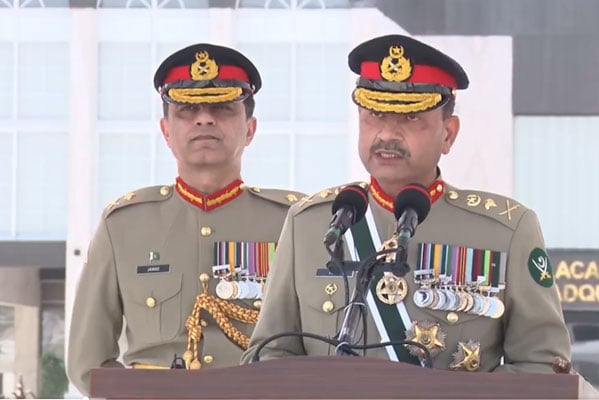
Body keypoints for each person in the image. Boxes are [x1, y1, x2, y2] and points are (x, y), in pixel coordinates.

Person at [242, 34, 572, 373]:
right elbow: (270, 356)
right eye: (374, 115)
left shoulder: (506, 232)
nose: (387, 134)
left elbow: (543, 365)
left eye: (410, 118)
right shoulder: (311, 223)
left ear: (448, 134)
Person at [67, 43, 304, 395]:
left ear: (250, 129)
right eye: (187, 109)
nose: (204, 119)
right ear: (166, 130)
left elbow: (321, 349)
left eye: (223, 108)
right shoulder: (124, 225)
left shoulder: (294, 221)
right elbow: (87, 363)